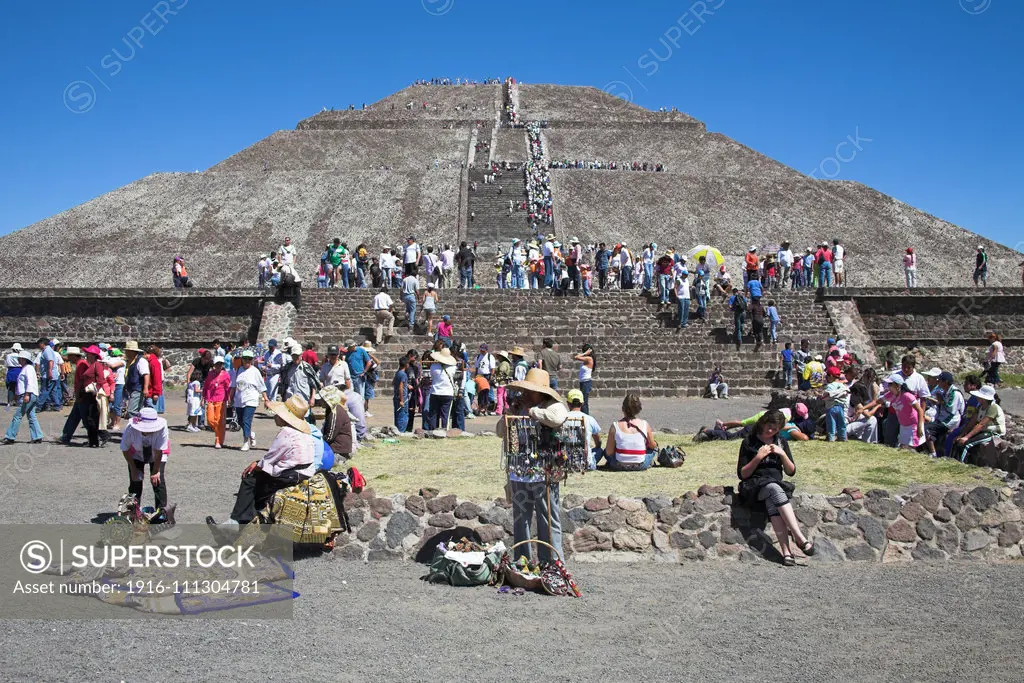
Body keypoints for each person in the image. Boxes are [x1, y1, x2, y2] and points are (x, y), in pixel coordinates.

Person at [207, 395, 316, 527]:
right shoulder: (305, 433)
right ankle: (246, 522)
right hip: (304, 472)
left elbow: (268, 460)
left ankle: (234, 523)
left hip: (289, 476)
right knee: (260, 480)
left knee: (250, 479)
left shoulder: (287, 433)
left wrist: (255, 464)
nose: (275, 416)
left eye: (278, 414)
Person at [502, 367, 568, 563]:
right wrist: (511, 412)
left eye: (529, 391)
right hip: (520, 470)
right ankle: (522, 560)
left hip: (544, 471)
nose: (524, 395)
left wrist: (532, 412)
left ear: (540, 392)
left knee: (547, 517)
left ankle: (552, 562)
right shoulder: (520, 408)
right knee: (520, 517)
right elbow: (500, 430)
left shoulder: (553, 406)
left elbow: (557, 418)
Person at [737, 410, 815, 566]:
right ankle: (798, 536)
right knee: (773, 488)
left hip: (774, 487)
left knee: (773, 501)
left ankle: (787, 553)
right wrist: (759, 457)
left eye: (775, 428)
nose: (771, 431)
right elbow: (743, 474)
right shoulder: (749, 442)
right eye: (769, 427)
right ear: (763, 423)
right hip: (754, 487)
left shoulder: (780, 441)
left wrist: (782, 454)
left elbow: (791, 471)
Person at [120, 407, 171, 511]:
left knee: (157, 480)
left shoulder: (162, 428)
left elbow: (158, 451)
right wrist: (133, 468)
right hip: (136, 453)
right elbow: (125, 449)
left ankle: (161, 511)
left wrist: (155, 470)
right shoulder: (130, 429)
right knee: (135, 481)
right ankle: (133, 510)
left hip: (157, 453)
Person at [882, 354, 930, 447]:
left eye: (909, 367)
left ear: (913, 367)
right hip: (894, 411)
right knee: (890, 435)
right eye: (904, 367)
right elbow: (886, 391)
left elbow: (923, 398)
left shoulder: (919, 378)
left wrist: (922, 415)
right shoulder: (895, 375)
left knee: (909, 441)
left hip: (910, 415)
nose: (906, 369)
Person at [604, 393, 658, 471]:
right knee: (653, 450)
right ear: (639, 409)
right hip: (640, 465)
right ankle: (648, 461)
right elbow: (652, 446)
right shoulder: (644, 424)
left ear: (623, 408)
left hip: (619, 464)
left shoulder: (615, 426)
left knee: (605, 452)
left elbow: (609, 452)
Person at [952, 384, 1005, 463]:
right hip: (984, 430)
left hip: (993, 432)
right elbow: (972, 422)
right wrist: (962, 434)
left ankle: (959, 464)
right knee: (957, 442)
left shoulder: (993, 407)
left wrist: (966, 437)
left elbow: (981, 424)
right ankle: (952, 460)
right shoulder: (980, 407)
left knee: (967, 444)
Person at [229, 350, 269, 451]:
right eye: (245, 358)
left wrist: (266, 399)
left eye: (249, 359)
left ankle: (246, 442)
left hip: (251, 399)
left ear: (252, 360)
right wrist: (230, 398)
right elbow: (233, 386)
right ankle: (250, 433)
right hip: (239, 400)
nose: (247, 360)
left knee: (246, 420)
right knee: (240, 421)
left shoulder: (255, 371)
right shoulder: (238, 370)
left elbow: (262, 386)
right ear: (242, 359)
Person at [2, 350, 43, 444]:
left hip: (28, 394)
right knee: (31, 416)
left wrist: (27, 394)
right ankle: (37, 436)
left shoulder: (28, 368)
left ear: (24, 359)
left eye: (19, 359)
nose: (18, 360)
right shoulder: (27, 368)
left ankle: (10, 436)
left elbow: (30, 382)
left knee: (17, 415)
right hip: (30, 394)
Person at [924, 371, 965, 457]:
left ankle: (933, 453)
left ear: (945, 382)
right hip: (942, 417)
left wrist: (940, 400)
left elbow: (951, 409)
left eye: (939, 381)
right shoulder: (945, 391)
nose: (938, 382)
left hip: (949, 420)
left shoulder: (955, 393)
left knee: (926, 428)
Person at [565, 389, 602, 469]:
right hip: (586, 462)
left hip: (566, 460)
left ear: (568, 403)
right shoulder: (590, 419)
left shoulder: (562, 418)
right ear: (582, 403)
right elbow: (598, 441)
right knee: (600, 450)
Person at [203, 356, 231, 449]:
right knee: (211, 420)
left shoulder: (225, 374)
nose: (218, 366)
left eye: (220, 364)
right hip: (211, 399)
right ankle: (219, 432)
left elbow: (228, 388)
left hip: (221, 399)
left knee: (219, 420)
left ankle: (218, 440)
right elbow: (206, 386)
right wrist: (203, 398)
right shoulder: (210, 374)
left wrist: (229, 399)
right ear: (214, 365)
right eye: (217, 364)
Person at [428, 347, 457, 429]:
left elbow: (432, 377)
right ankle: (445, 430)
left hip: (435, 392)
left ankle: (432, 430)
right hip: (447, 392)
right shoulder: (453, 368)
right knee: (445, 415)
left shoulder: (433, 366)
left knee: (433, 414)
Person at [823, 366, 850, 442]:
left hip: (831, 407)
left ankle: (831, 437)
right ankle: (843, 437)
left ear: (831, 376)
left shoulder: (829, 386)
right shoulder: (843, 386)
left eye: (827, 375)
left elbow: (826, 396)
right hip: (841, 407)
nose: (826, 377)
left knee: (831, 423)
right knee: (842, 423)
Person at [574, 344, 595, 414]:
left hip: (586, 383)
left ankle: (586, 417)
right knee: (583, 401)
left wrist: (585, 353)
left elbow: (576, 357)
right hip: (583, 382)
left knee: (584, 402)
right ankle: (584, 415)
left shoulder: (589, 358)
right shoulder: (587, 359)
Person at [393, 356, 411, 432]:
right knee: (403, 416)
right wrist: (402, 400)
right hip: (402, 398)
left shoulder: (398, 373)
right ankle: (401, 432)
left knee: (397, 416)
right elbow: (400, 387)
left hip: (396, 397)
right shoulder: (403, 374)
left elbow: (393, 383)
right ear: (406, 364)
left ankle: (398, 431)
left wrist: (406, 385)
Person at [401, 266, 419, 331]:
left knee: (408, 308)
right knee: (412, 310)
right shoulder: (415, 280)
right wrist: (418, 297)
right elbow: (416, 290)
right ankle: (411, 323)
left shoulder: (405, 279)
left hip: (405, 295)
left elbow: (401, 288)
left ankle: (406, 314)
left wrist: (401, 296)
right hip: (411, 295)